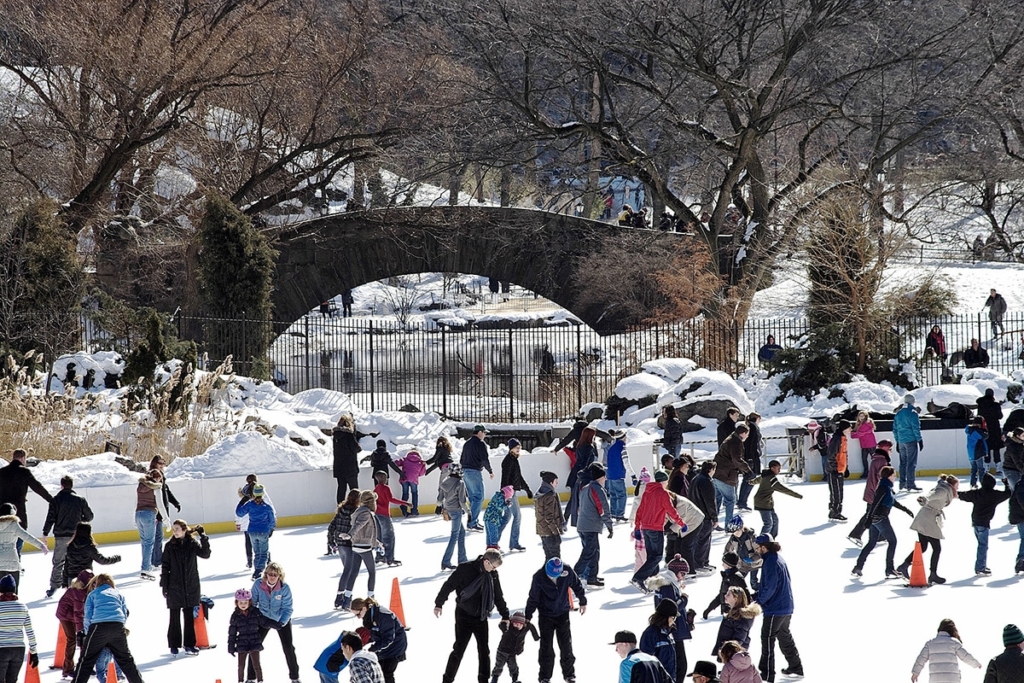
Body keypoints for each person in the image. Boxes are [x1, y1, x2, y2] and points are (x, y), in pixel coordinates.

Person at [434, 549, 510, 683]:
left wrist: (505, 615)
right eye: (493, 567)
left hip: (481, 617)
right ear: (486, 562)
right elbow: (449, 585)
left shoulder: (492, 575)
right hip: (463, 615)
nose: (494, 570)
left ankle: (483, 680)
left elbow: (498, 596)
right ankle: (447, 679)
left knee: (484, 650)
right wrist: (439, 603)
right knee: (459, 649)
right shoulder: (465, 569)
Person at [70, 574, 146, 683]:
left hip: (98, 626)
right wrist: (120, 627)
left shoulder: (93, 594)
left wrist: (88, 634)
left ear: (96, 583)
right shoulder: (118, 594)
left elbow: (87, 616)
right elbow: (124, 613)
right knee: (126, 660)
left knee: (86, 660)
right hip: (117, 626)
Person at [525, 557, 585, 683]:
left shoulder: (567, 571)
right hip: (546, 615)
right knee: (546, 647)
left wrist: (582, 600)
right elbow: (533, 598)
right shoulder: (539, 577)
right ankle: (545, 676)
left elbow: (576, 584)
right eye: (552, 575)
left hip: (562, 613)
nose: (554, 577)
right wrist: (528, 616)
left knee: (566, 645)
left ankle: (569, 674)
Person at [752, 534, 802, 682]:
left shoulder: (770, 562)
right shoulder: (777, 559)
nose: (756, 549)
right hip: (785, 606)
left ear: (764, 547)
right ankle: (796, 667)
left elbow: (770, 587)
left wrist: (759, 602)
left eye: (757, 547)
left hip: (775, 608)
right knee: (784, 636)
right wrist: (756, 596)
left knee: (767, 639)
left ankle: (767, 675)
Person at [896, 475, 960, 585]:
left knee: (923, 546)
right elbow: (932, 495)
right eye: (957, 485)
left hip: (925, 517)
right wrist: (924, 499)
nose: (958, 488)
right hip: (928, 520)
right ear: (952, 485)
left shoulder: (945, 489)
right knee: (936, 548)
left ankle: (904, 566)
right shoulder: (943, 491)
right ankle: (933, 574)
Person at [160, 519, 211, 656]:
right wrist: (164, 585)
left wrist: (203, 536)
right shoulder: (170, 546)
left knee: (189, 617)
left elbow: (205, 554)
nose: (175, 532)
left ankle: (189, 644)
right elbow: (165, 566)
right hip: (174, 586)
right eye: (174, 529)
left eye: (177, 529)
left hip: (191, 585)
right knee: (174, 617)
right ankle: (174, 645)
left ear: (184, 530)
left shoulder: (192, 544)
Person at [851, 466, 913, 579]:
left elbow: (893, 501)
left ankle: (858, 567)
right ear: (888, 476)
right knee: (892, 541)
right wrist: (869, 518)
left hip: (876, 519)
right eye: (894, 475)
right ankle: (890, 569)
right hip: (880, 518)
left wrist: (906, 510)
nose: (895, 477)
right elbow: (875, 503)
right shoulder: (883, 488)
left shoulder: (886, 487)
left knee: (871, 543)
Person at [631, 471, 686, 592]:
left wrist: (637, 527)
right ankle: (638, 578)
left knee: (652, 557)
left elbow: (639, 511)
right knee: (657, 556)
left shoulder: (647, 492)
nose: (667, 483)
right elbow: (671, 510)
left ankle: (653, 583)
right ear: (663, 481)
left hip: (645, 528)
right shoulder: (662, 493)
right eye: (666, 481)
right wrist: (681, 523)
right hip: (655, 529)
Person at [42, 475, 93, 598]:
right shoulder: (80, 500)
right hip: (76, 535)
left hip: (61, 535)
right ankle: (83, 584)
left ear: (61, 485)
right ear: (72, 485)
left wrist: (45, 533)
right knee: (78, 560)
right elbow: (90, 516)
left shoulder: (56, 500)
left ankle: (54, 586)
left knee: (58, 561)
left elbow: (50, 517)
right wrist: (80, 520)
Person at [249, 563, 300, 683]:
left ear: (279, 576)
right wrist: (257, 619)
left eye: (275, 575)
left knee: (288, 647)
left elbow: (288, 608)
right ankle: (251, 677)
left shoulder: (284, 588)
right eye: (270, 574)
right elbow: (253, 603)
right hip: (263, 618)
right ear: (266, 574)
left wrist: (281, 623)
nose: (272, 577)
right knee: (254, 647)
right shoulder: (258, 584)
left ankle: (295, 677)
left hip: (280, 619)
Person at [0, 448, 53, 555]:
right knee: (16, 548)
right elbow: (38, 487)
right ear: (23, 458)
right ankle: (16, 563)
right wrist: (52, 500)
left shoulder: (1, 472)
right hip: (18, 515)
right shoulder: (24, 472)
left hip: (1, 515)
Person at [959, 472, 1012, 576]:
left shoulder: (977, 493)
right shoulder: (995, 495)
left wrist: (952, 490)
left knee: (981, 544)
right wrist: (1006, 484)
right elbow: (1008, 494)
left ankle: (981, 565)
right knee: (983, 545)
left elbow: (962, 495)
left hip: (975, 522)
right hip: (984, 523)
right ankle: (980, 567)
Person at [350, 597, 407, 683]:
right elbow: (374, 633)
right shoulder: (368, 616)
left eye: (358, 614)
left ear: (364, 608)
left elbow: (388, 638)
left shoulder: (383, 616)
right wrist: (362, 642)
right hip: (384, 646)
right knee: (377, 671)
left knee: (386, 673)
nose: (358, 617)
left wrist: (374, 648)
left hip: (395, 646)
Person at [575, 463, 613, 586]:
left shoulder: (585, 488)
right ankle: (574, 576)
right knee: (588, 553)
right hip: (590, 527)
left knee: (594, 552)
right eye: (604, 477)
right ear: (600, 477)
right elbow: (603, 509)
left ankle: (592, 577)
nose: (605, 479)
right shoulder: (597, 489)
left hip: (583, 525)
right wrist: (609, 526)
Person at [911, 618, 981, 683]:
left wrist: (915, 673)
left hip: (935, 680)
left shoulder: (930, 644)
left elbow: (921, 659)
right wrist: (976, 664)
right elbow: (965, 656)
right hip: (952, 679)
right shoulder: (954, 642)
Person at [340, 491, 379, 601]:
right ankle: (371, 598)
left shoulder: (359, 511)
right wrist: (350, 535)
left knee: (354, 572)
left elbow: (366, 532)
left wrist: (377, 543)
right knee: (372, 572)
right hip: (364, 546)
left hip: (356, 545)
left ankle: (346, 598)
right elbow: (358, 526)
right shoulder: (366, 513)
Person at [0, 502, 46, 593]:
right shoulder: (14, 525)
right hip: (12, 559)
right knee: (13, 589)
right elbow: (27, 536)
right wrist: (41, 545)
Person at [750, 460, 802, 539]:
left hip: (767, 503)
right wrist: (797, 495)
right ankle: (760, 541)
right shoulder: (771, 479)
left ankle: (771, 538)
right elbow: (783, 489)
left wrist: (751, 482)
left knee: (775, 521)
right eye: (778, 469)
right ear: (772, 468)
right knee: (768, 523)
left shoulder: (766, 475)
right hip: (763, 503)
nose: (779, 471)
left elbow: (757, 480)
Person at [235, 483, 277, 580]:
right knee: (264, 554)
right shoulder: (267, 507)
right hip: (263, 531)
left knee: (257, 553)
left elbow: (239, 513)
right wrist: (271, 529)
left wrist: (242, 501)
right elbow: (272, 520)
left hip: (252, 532)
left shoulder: (250, 505)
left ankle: (256, 571)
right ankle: (258, 571)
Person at [0, 573, 36, 683]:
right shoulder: (22, 607)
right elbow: (29, 630)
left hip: (1, 648)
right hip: (18, 650)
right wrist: (34, 652)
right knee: (12, 680)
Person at [713, 425, 752, 528]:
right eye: (747, 434)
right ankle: (729, 525)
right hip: (726, 475)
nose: (747, 437)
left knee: (717, 499)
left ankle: (713, 523)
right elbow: (737, 459)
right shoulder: (736, 442)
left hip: (717, 473)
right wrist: (747, 470)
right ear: (743, 433)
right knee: (730, 501)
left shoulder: (730, 439)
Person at [56, 569, 92, 679]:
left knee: (84, 640)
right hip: (65, 616)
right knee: (72, 640)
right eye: (91, 581)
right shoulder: (78, 592)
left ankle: (84, 667)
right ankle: (68, 669)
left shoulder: (88, 590)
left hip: (75, 615)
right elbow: (78, 613)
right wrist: (80, 630)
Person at [61, 522, 120, 589]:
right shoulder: (89, 547)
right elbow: (102, 560)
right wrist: (116, 558)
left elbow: (66, 565)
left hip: (72, 579)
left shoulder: (70, 546)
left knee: (73, 596)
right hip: (86, 578)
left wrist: (64, 582)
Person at [330, 489, 362, 609]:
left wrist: (331, 541)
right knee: (348, 571)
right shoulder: (356, 512)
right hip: (349, 544)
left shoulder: (341, 509)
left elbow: (331, 526)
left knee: (347, 570)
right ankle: (341, 598)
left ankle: (342, 597)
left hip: (340, 544)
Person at [499, 439, 532, 551]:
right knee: (517, 516)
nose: (518, 449)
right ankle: (514, 543)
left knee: (506, 518)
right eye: (516, 447)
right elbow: (505, 478)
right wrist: (506, 494)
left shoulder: (514, 460)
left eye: (519, 447)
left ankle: (493, 542)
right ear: (511, 448)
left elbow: (519, 477)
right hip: (509, 493)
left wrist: (527, 489)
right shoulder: (508, 461)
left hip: (510, 492)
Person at [148, 455, 180, 570]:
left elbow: (166, 492)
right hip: (156, 513)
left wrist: (175, 502)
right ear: (154, 463)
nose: (162, 465)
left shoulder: (161, 476)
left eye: (163, 463)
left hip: (161, 512)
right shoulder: (153, 476)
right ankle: (156, 562)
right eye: (160, 463)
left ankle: (154, 561)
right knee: (157, 538)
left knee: (157, 538)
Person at [228, 588, 265, 683]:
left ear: (249, 602)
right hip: (242, 643)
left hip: (254, 641)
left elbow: (264, 622)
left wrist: (274, 624)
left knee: (256, 664)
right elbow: (232, 633)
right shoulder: (235, 616)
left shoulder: (255, 612)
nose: (243, 605)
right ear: (237, 603)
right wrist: (231, 646)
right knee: (241, 665)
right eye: (241, 603)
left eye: (245, 602)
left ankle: (260, 680)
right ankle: (240, 680)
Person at [491, 610, 539, 683]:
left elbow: (531, 627)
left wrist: (536, 637)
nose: (517, 625)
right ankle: (494, 679)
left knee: (513, 667)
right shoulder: (508, 628)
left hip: (513, 652)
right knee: (499, 666)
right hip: (502, 651)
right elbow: (501, 625)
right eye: (515, 623)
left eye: (520, 624)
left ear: (523, 624)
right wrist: (506, 621)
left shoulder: (524, 629)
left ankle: (515, 680)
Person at [461, 426, 494, 531]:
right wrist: (490, 470)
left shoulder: (467, 443)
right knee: (479, 497)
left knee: (472, 498)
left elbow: (462, 459)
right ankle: (472, 523)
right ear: (479, 432)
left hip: (465, 472)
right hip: (474, 472)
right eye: (484, 433)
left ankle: (472, 521)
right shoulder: (480, 443)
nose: (485, 435)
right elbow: (484, 459)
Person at [372, 471, 408, 567]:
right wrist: (405, 503)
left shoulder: (375, 489)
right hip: (384, 515)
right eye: (385, 477)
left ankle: (380, 556)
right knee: (389, 536)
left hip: (376, 514)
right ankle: (389, 558)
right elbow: (391, 499)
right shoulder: (385, 488)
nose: (386, 479)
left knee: (379, 536)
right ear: (381, 478)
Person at [565, 426, 599, 528]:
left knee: (573, 499)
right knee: (584, 499)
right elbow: (585, 463)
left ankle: (565, 519)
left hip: (575, 473)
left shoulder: (579, 445)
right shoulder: (589, 447)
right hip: (583, 476)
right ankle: (584, 520)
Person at [712, 587, 761, 657]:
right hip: (727, 653)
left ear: (736, 598)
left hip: (733, 655)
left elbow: (739, 639)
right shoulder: (732, 613)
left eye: (728, 594)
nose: (725, 596)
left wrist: (728, 652)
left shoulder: (741, 617)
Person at [438, 465, 469, 571]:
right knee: (454, 535)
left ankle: (462, 560)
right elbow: (462, 501)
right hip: (456, 511)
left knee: (461, 533)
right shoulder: (460, 483)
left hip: (448, 510)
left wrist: (440, 506)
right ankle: (446, 561)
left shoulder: (444, 482)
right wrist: (469, 512)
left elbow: (439, 499)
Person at [702, 552, 750, 619]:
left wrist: (743, 611)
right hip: (727, 613)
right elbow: (722, 595)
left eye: (724, 563)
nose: (722, 564)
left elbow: (745, 596)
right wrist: (709, 609)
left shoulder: (737, 577)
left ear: (728, 565)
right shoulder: (727, 576)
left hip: (735, 615)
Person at [690, 461, 718, 574]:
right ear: (711, 469)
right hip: (704, 515)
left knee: (701, 540)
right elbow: (710, 501)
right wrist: (714, 517)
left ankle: (703, 562)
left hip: (695, 514)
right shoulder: (706, 481)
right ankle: (699, 563)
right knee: (703, 540)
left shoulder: (695, 479)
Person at [640, 600, 678, 681]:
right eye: (673, 618)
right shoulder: (651, 634)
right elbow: (646, 661)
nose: (674, 621)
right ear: (665, 617)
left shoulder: (669, 633)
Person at [135, 468, 162, 580]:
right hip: (149, 514)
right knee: (149, 542)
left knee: (144, 542)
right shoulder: (156, 488)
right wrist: (166, 519)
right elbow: (160, 505)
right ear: (157, 478)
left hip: (138, 514)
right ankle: (146, 568)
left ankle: (146, 566)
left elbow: (136, 502)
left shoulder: (140, 486)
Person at [894, 395, 924, 492]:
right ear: (913, 401)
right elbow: (915, 428)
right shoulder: (913, 413)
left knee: (903, 462)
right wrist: (919, 440)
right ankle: (910, 484)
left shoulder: (898, 413)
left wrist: (897, 441)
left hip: (901, 441)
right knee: (911, 463)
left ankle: (902, 483)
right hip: (910, 440)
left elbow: (895, 429)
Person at [826, 420, 852, 522]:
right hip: (834, 471)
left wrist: (846, 468)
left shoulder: (843, 438)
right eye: (849, 427)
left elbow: (844, 455)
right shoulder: (836, 439)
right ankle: (835, 512)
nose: (850, 430)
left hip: (840, 469)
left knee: (839, 492)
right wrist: (834, 469)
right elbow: (831, 455)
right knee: (836, 492)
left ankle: (835, 511)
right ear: (844, 428)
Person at [737, 414, 763, 512]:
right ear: (757, 418)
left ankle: (742, 501)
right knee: (749, 480)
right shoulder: (753, 427)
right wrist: (752, 458)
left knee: (747, 480)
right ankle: (742, 502)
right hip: (751, 458)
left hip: (749, 457)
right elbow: (752, 445)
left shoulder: (750, 426)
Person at [333, 415, 362, 504]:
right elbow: (356, 448)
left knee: (341, 488)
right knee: (354, 489)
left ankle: (340, 507)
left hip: (339, 467)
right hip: (350, 467)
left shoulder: (335, 436)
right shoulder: (349, 435)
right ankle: (355, 506)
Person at [605, 430, 633, 521]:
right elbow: (626, 462)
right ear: (623, 437)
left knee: (613, 495)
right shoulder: (622, 448)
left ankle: (613, 513)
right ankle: (619, 514)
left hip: (610, 475)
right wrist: (633, 475)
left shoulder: (611, 448)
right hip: (618, 475)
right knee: (622, 495)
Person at [535, 471, 563, 561]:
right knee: (555, 559)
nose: (557, 483)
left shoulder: (540, 493)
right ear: (551, 482)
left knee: (549, 558)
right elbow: (549, 517)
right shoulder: (549, 496)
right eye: (556, 481)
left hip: (542, 530)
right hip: (550, 532)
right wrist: (556, 533)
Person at [977, 388, 1005, 475]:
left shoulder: (981, 404)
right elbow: (1000, 416)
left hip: (985, 429)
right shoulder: (996, 405)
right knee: (996, 448)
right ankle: (998, 467)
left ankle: (987, 468)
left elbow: (979, 416)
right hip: (995, 429)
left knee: (986, 448)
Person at [395, 449, 426, 516]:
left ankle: (404, 508)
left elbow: (396, 463)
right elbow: (422, 473)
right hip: (414, 480)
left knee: (405, 493)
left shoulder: (405, 459)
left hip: (404, 478)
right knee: (414, 494)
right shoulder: (420, 462)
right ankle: (414, 510)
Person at [238, 474, 261, 562]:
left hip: (246, 523)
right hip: (258, 522)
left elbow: (239, 509)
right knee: (261, 542)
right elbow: (268, 504)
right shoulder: (259, 491)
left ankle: (250, 561)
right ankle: (265, 559)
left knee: (248, 542)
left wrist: (238, 522)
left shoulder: (243, 492)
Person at [850, 411, 877, 477]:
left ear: (865, 417)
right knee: (866, 459)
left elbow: (859, 434)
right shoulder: (861, 424)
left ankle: (870, 472)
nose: (861, 417)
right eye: (860, 416)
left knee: (869, 459)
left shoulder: (866, 424)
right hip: (865, 444)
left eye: (862, 416)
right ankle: (870, 472)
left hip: (869, 444)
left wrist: (852, 434)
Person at [966, 417, 990, 488]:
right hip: (977, 453)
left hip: (971, 452)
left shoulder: (970, 430)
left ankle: (973, 484)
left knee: (974, 468)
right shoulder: (976, 431)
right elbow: (985, 436)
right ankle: (983, 484)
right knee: (981, 469)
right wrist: (984, 429)